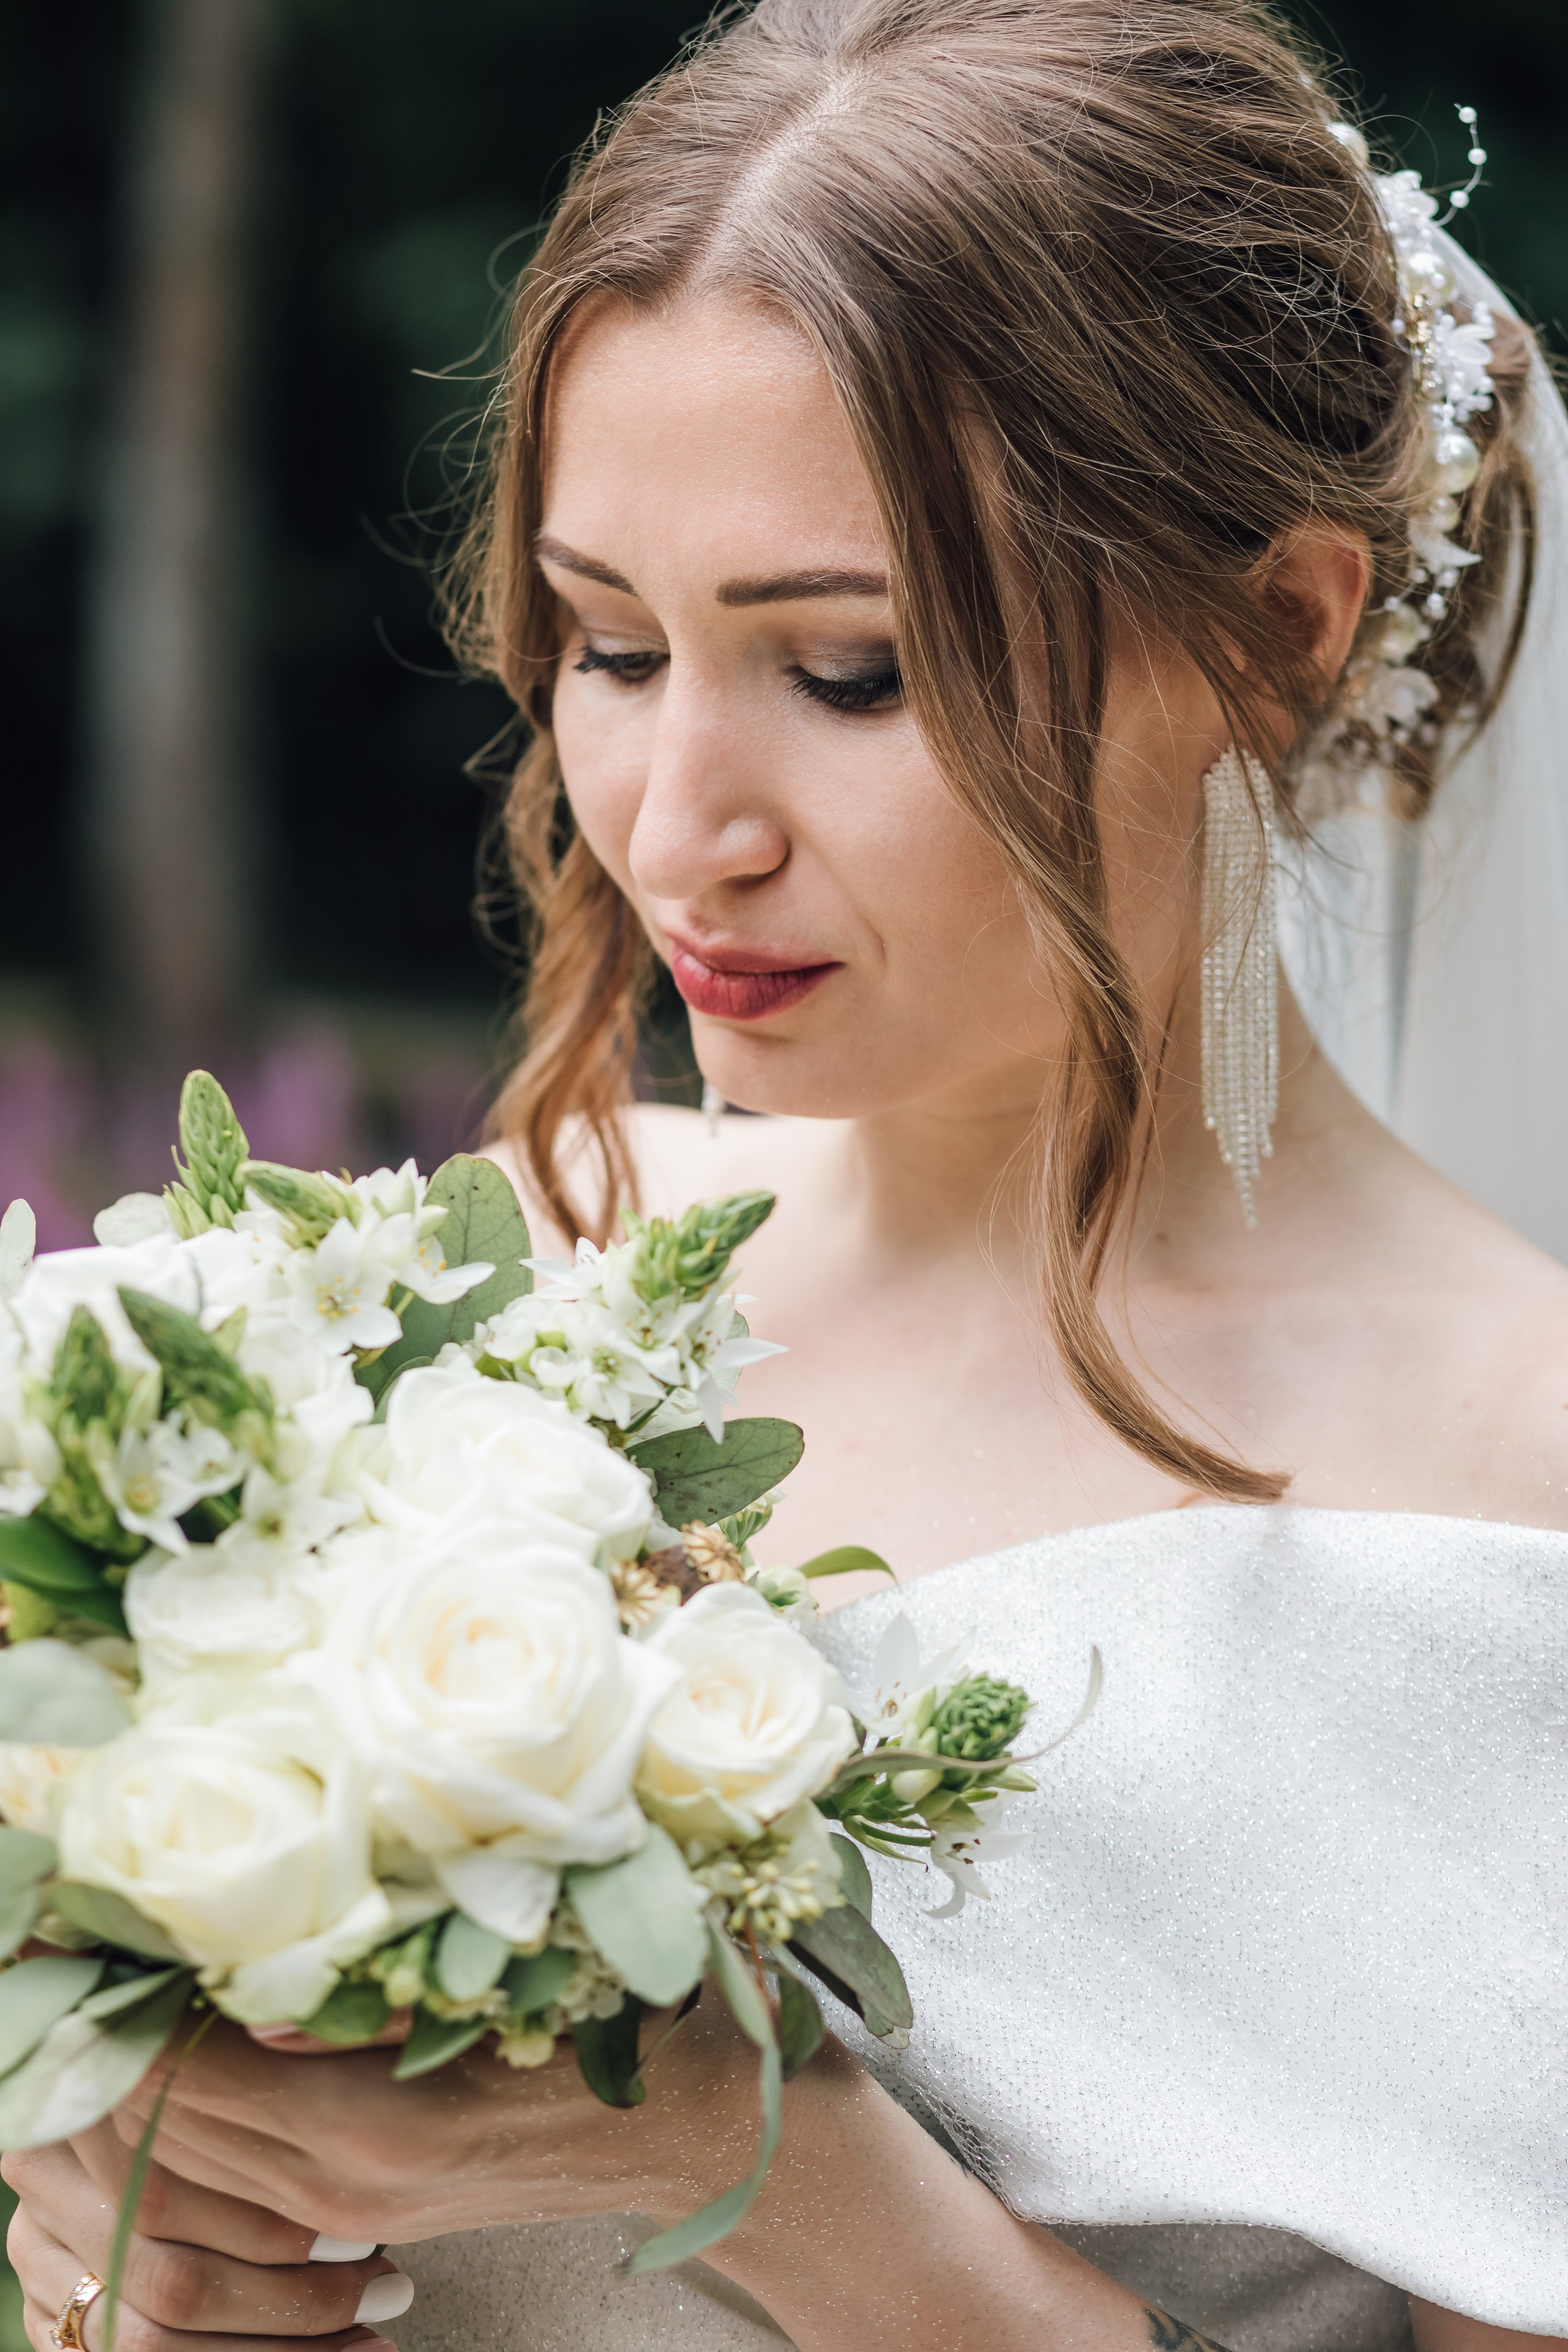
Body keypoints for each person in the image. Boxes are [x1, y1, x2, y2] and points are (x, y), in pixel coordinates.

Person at [6, 1, 1567, 2346]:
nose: (676, 830)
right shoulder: (500, 1267)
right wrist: (133, 2232)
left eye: (847, 673)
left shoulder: (1518, 1480)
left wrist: (756, 2162)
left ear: (1273, 633)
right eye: (613, 645)